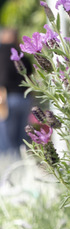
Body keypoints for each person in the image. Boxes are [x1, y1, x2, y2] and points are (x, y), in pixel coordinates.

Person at [0, 28, 31, 156]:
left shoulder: (1, 53)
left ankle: (9, 170)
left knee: (6, 140)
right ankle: (22, 167)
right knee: (21, 139)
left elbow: (3, 77)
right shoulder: (23, 54)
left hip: (8, 98)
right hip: (25, 99)